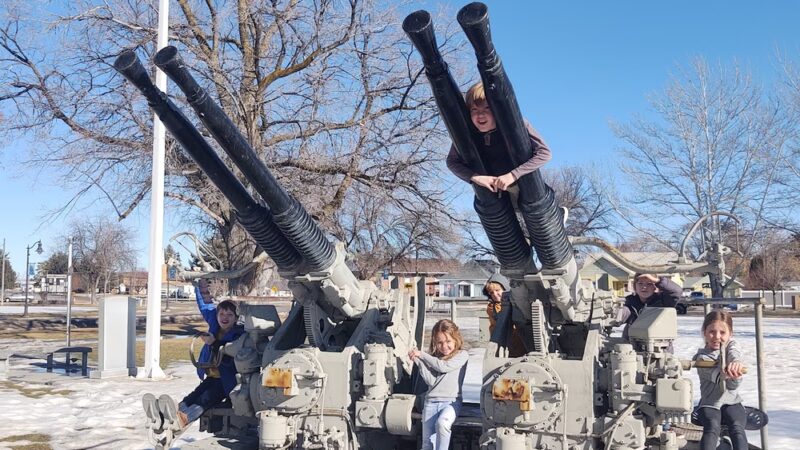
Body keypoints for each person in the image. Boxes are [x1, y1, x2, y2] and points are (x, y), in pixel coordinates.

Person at [142, 278, 244, 436]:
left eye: (230, 315)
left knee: (205, 400)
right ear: (216, 315)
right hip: (212, 376)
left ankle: (182, 419)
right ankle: (165, 417)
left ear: (236, 318)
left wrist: (214, 342)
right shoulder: (215, 324)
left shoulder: (239, 333)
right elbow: (205, 304)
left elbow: (231, 350)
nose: (225, 317)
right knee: (193, 396)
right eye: (222, 314)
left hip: (226, 381)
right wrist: (200, 284)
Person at [446, 81, 552, 199]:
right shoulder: (467, 133)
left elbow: (544, 153)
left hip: (520, 183)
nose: (480, 114)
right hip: (493, 188)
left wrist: (512, 175)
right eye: (474, 109)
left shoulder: (516, 124)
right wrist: (475, 177)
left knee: (532, 204)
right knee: (487, 205)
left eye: (487, 108)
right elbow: (452, 161)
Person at [408, 319, 469, 450]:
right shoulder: (435, 358)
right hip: (430, 402)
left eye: (448, 342)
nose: (444, 346)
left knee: (443, 424)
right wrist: (418, 361)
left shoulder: (462, 355)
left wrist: (422, 354)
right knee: (427, 444)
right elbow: (431, 381)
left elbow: (443, 367)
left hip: (451, 402)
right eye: (440, 343)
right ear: (435, 343)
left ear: (456, 340)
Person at [693, 310, 748, 450]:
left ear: (730, 333)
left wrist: (736, 362)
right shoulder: (701, 358)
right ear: (704, 332)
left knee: (737, 429)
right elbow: (725, 384)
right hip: (710, 403)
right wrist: (732, 375)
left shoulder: (730, 346)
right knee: (712, 427)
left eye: (723, 333)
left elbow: (734, 348)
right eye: (712, 331)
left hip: (732, 401)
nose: (717, 337)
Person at [617, 273, 683, 339]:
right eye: (640, 283)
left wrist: (657, 280)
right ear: (635, 287)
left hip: (658, 345)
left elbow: (676, 291)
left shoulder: (663, 301)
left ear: (655, 287)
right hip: (632, 345)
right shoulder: (630, 302)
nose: (644, 287)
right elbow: (622, 313)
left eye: (649, 284)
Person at [484, 273, 526, 357]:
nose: (495, 295)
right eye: (491, 293)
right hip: (503, 345)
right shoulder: (492, 308)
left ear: (505, 289)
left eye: (497, 290)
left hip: (522, 343)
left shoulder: (518, 303)